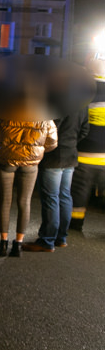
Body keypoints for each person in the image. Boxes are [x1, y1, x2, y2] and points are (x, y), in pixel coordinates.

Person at [0, 116, 57, 257]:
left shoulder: (3, 112)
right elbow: (52, 143)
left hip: (6, 159)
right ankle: (18, 244)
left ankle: (3, 243)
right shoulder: (44, 116)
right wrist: (36, 149)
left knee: (5, 202)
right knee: (24, 202)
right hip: (30, 163)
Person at [22, 109, 89, 252]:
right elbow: (84, 130)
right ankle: (61, 238)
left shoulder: (57, 103)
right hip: (70, 155)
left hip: (53, 157)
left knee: (51, 198)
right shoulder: (82, 104)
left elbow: (48, 130)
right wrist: (70, 143)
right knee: (64, 196)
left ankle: (47, 240)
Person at [69, 56, 105, 233]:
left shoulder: (84, 93)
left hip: (85, 153)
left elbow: (76, 123)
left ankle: (76, 225)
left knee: (80, 191)